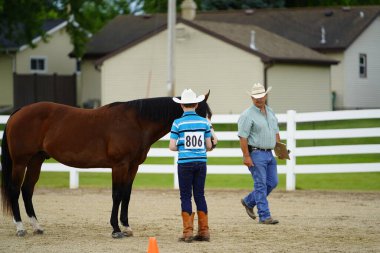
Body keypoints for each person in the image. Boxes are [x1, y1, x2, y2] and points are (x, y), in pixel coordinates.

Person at [169, 88, 217, 243]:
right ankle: (204, 232)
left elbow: (172, 146)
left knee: (185, 196)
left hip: (184, 163)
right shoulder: (204, 122)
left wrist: (182, 148)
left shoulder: (177, 123)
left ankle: (187, 233)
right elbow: (209, 146)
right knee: (199, 195)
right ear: (196, 104)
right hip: (201, 163)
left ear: (182, 106)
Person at [238, 83, 281, 225]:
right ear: (251, 97)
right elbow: (243, 137)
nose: (259, 99)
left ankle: (249, 201)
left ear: (266, 96)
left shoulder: (271, 112)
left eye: (261, 96)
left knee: (273, 182)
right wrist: (246, 156)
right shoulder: (247, 115)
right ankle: (264, 216)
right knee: (261, 184)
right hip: (256, 153)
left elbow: (275, 132)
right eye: (256, 97)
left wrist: (280, 149)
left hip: (269, 153)